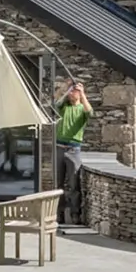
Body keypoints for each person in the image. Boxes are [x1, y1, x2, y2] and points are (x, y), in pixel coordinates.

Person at [55, 82, 92, 225]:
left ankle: (75, 214)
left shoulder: (82, 109)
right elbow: (57, 104)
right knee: (58, 184)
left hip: (73, 150)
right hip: (59, 148)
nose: (71, 93)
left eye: (73, 91)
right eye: (70, 91)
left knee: (73, 184)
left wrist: (82, 93)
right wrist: (68, 90)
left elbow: (90, 113)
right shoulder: (64, 107)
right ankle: (60, 214)